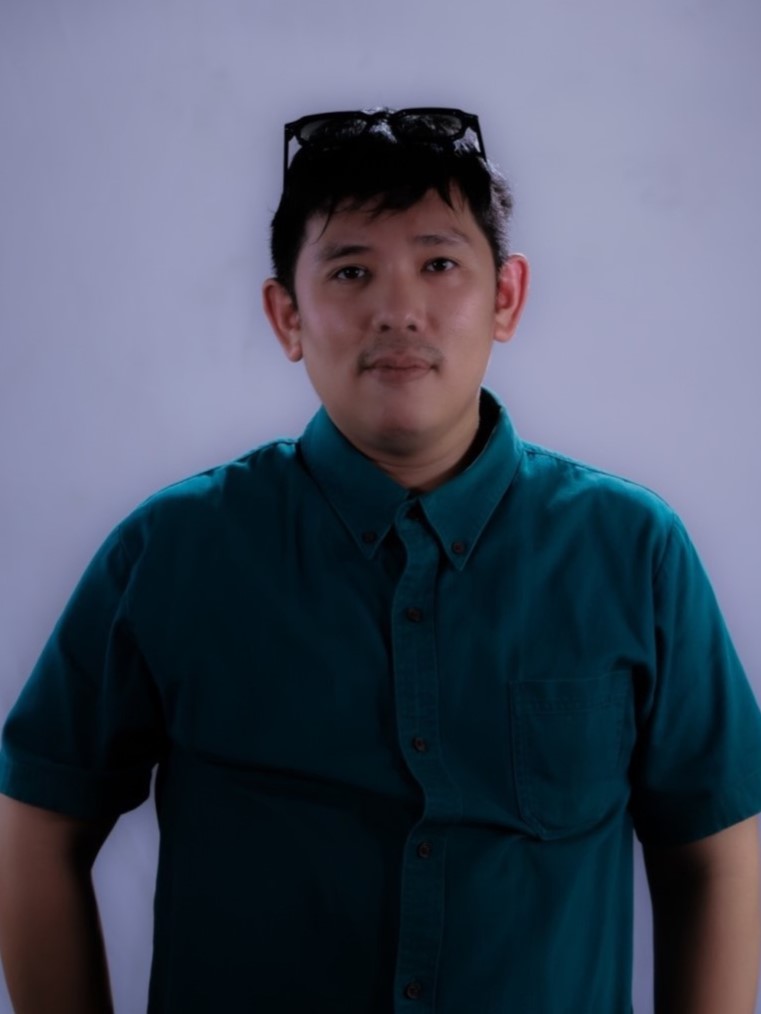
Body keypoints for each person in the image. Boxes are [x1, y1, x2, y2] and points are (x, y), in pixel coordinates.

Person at [0, 106, 760, 1014]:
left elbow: (712, 849)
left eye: (439, 264)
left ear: (506, 297)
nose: (398, 310)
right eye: (351, 271)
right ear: (286, 315)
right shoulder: (174, 551)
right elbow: (36, 821)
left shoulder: (631, 550)